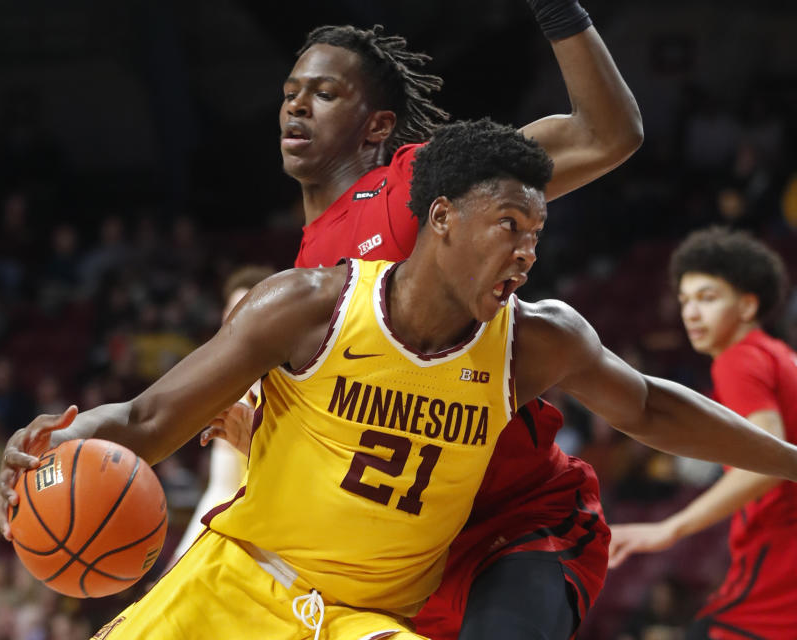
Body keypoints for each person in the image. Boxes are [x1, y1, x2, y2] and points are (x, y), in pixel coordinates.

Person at [0, 120, 797, 640]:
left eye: (536, 232)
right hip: (235, 586)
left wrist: (793, 460)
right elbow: (144, 419)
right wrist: (54, 447)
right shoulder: (309, 308)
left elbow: (652, 407)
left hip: (363, 622)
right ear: (441, 218)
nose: (526, 250)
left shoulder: (535, 342)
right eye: (507, 226)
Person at [212, 1, 642, 635]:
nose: (296, 106)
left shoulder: (411, 185)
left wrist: (556, 10)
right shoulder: (304, 267)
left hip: (514, 518)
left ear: (377, 124)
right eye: (290, 92)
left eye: (324, 93)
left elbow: (606, 135)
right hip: (407, 554)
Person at [608, 228, 797, 640]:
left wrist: (667, 529)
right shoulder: (778, 355)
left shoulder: (739, 359)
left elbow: (771, 461)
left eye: (707, 298)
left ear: (747, 305)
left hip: (780, 561)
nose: (691, 313)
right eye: (685, 300)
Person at [169, 265, 275, 564]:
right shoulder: (232, 389)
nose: (237, 322)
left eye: (247, 311)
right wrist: (180, 559)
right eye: (231, 312)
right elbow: (223, 486)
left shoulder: (298, 383)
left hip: (293, 532)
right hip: (245, 535)